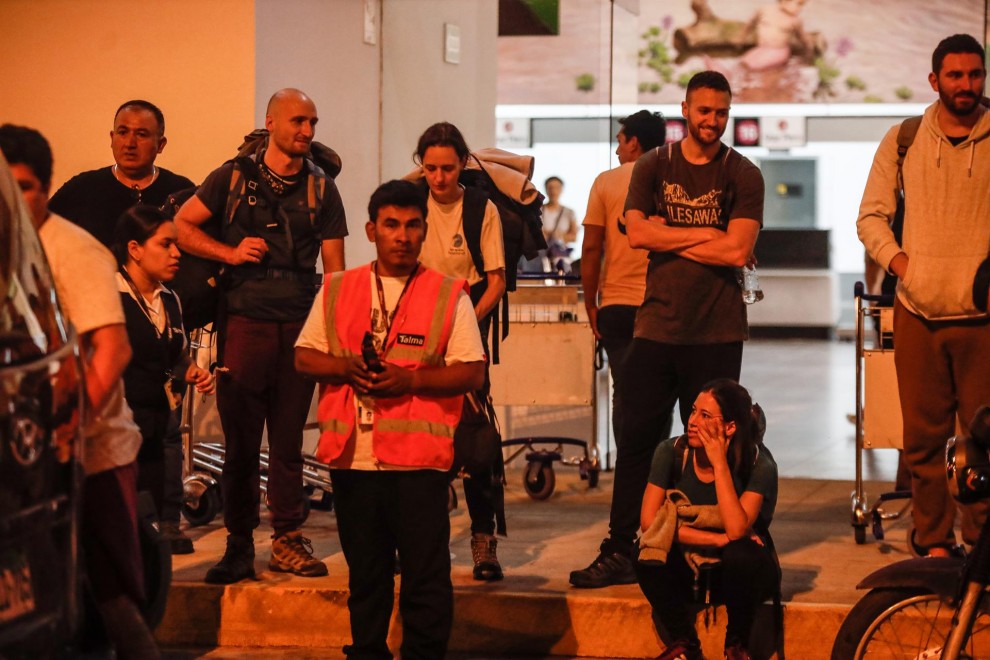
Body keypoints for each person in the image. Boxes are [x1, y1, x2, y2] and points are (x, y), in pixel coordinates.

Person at [571, 71, 764, 588]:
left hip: (717, 331)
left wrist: (669, 233)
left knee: (714, 447)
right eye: (704, 111)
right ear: (685, 109)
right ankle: (622, 548)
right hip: (655, 325)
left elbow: (738, 250)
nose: (712, 120)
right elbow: (637, 234)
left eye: (721, 112)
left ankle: (713, 551)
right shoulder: (654, 165)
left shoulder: (743, 173)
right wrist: (707, 232)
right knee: (637, 443)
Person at [295, 179, 485, 659]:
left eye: (412, 225)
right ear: (371, 230)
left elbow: (472, 371)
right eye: (391, 225)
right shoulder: (338, 288)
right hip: (352, 458)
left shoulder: (449, 294)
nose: (402, 236)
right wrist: (345, 367)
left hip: (419, 462)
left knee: (426, 575)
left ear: (425, 231)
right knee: (366, 575)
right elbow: (303, 356)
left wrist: (410, 380)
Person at [174, 88, 348, 583]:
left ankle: (288, 541)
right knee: (241, 446)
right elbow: (181, 227)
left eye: (312, 122)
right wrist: (228, 253)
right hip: (243, 324)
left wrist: (331, 337)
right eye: (298, 121)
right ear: (270, 122)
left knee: (289, 443)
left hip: (299, 328)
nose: (307, 131)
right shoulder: (231, 177)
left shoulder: (322, 188)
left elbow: (335, 272)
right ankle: (239, 545)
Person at [0, 124, 159, 658]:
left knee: (112, 596)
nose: (12, 199)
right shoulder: (8, 251)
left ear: (45, 189)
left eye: (23, 187)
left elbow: (112, 350)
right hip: (24, 460)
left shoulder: (72, 249)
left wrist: (67, 427)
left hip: (90, 455)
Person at [858, 33, 990, 557]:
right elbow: (871, 216)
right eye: (955, 75)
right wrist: (904, 266)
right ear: (934, 80)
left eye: (975, 74)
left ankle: (981, 546)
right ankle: (933, 543)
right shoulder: (904, 139)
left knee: (984, 441)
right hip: (917, 312)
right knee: (922, 441)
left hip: (982, 319)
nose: (966, 84)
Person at [571, 110, 670, 588]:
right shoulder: (672, 181)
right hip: (664, 306)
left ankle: (632, 504)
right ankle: (655, 495)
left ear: (634, 142)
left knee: (628, 404)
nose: (616, 148)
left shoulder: (607, 183)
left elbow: (592, 249)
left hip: (618, 307)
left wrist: (590, 301)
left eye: (620, 139)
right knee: (658, 405)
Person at [413, 121, 507, 581]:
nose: (438, 177)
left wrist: (466, 321)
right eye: (430, 168)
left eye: (447, 168)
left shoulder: (481, 209)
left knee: (476, 443)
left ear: (463, 164)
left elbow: (497, 281)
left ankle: (484, 541)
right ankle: (420, 543)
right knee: (417, 442)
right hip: (416, 337)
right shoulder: (411, 204)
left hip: (466, 336)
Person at [637, 380, 779, 660]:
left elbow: (736, 529)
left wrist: (719, 463)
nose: (692, 422)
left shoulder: (758, 464)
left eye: (705, 416)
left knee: (742, 553)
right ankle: (684, 642)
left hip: (741, 575)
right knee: (643, 551)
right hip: (692, 569)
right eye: (693, 411)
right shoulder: (670, 452)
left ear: (730, 427)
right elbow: (649, 524)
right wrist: (716, 539)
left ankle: (736, 644)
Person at [110, 204, 216, 549]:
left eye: (176, 245)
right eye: (165, 244)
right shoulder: (109, 295)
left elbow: (176, 354)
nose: (176, 254)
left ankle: (168, 522)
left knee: (166, 462)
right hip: (121, 420)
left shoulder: (169, 299)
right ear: (135, 249)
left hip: (159, 415)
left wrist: (193, 371)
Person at [49, 100, 195, 248]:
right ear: (112, 138)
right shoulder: (82, 188)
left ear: (161, 144)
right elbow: (44, 233)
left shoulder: (181, 191)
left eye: (141, 135)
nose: (130, 143)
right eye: (123, 133)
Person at [741, 0, 811, 71]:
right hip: (763, 48)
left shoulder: (795, 20)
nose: (801, 9)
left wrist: (808, 51)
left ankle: (776, 71)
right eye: (799, 4)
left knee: (754, 66)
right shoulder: (765, 10)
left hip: (778, 51)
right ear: (784, 1)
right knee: (744, 62)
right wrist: (742, 37)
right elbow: (751, 23)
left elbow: (802, 37)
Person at [542, 175, 578, 270]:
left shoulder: (569, 213)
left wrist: (560, 236)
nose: (553, 191)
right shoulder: (538, 211)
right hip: (541, 257)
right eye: (550, 188)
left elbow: (574, 236)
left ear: (561, 190)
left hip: (560, 257)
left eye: (557, 188)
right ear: (546, 189)